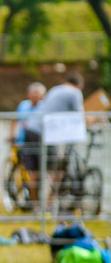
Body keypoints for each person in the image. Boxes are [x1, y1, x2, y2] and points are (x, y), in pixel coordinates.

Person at [22, 71, 87, 200]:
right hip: (44, 132)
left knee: (35, 171)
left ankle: (34, 207)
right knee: (56, 170)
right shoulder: (75, 93)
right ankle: (50, 205)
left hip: (30, 128)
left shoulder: (55, 89)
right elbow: (80, 116)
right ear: (80, 86)